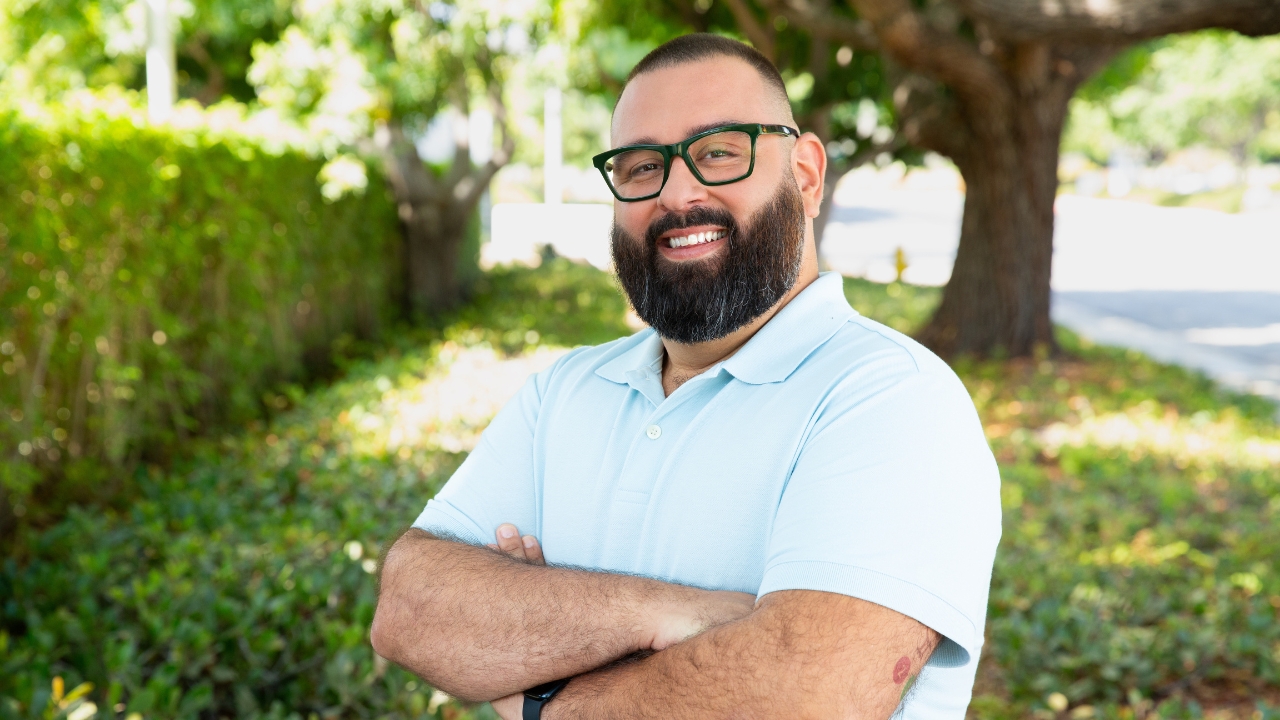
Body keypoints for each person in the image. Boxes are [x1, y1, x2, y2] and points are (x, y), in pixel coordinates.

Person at [371, 33, 1001, 720]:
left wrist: (536, 689)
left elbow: (798, 701)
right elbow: (411, 608)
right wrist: (671, 613)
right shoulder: (565, 391)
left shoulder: (894, 401)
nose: (677, 193)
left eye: (719, 152)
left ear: (807, 175)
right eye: (641, 166)